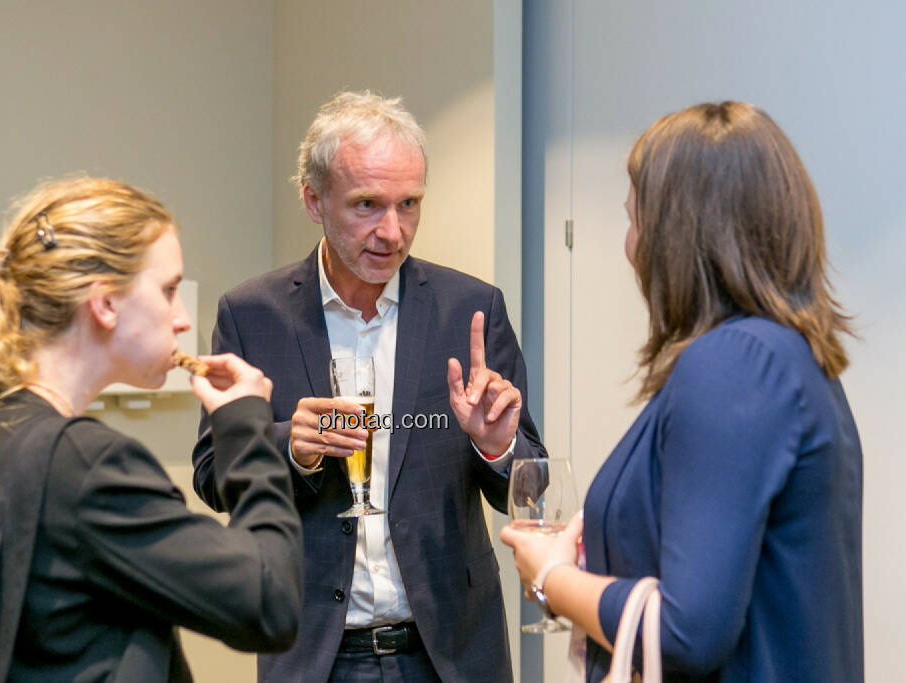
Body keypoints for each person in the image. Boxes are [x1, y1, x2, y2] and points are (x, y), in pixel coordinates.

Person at [500, 101, 863, 682]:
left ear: (678, 233)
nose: (629, 245)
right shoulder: (785, 356)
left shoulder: (733, 364)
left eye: (634, 219)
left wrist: (552, 578)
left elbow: (686, 633)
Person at [191, 91, 547, 682]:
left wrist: (497, 448)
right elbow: (211, 476)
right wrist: (290, 448)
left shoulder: (472, 310)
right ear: (313, 200)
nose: (392, 231)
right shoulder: (251, 315)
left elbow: (531, 487)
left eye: (409, 204)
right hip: (315, 656)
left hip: (449, 654)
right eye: (366, 205)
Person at [0, 177, 303, 682]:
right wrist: (247, 431)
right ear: (105, 303)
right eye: (168, 290)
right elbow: (270, 606)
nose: (182, 319)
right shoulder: (86, 465)